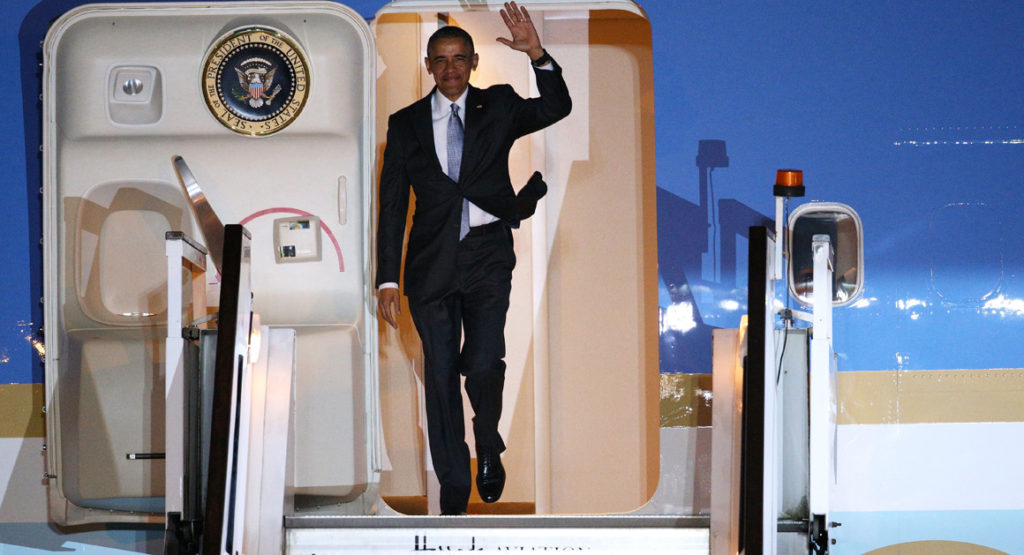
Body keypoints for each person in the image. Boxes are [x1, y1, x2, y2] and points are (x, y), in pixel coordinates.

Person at [375, 2, 571, 515]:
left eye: (460, 58)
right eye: (440, 60)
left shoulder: (499, 106)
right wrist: (386, 281)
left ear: (474, 62)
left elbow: (556, 108)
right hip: (430, 266)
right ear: (428, 66)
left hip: (486, 256)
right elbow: (393, 205)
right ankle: (454, 496)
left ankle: (488, 442)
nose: (450, 68)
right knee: (439, 376)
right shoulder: (405, 124)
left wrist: (538, 55)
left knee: (482, 364)